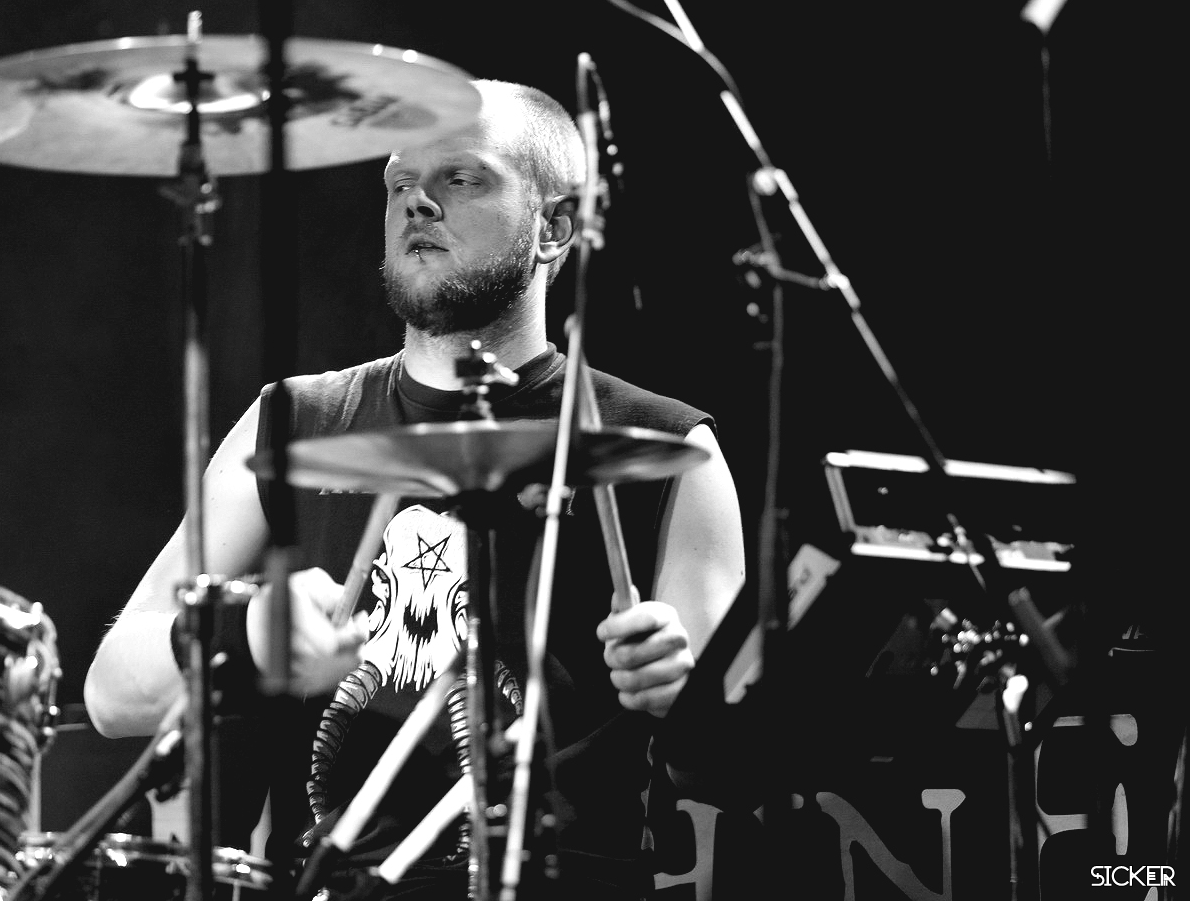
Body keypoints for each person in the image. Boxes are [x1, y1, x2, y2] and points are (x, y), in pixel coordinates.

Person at [84, 79, 745, 899]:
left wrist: (686, 699)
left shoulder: (668, 448)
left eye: (461, 178)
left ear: (554, 228)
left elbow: (733, 768)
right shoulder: (293, 422)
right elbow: (112, 692)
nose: (417, 203)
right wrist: (250, 633)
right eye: (399, 182)